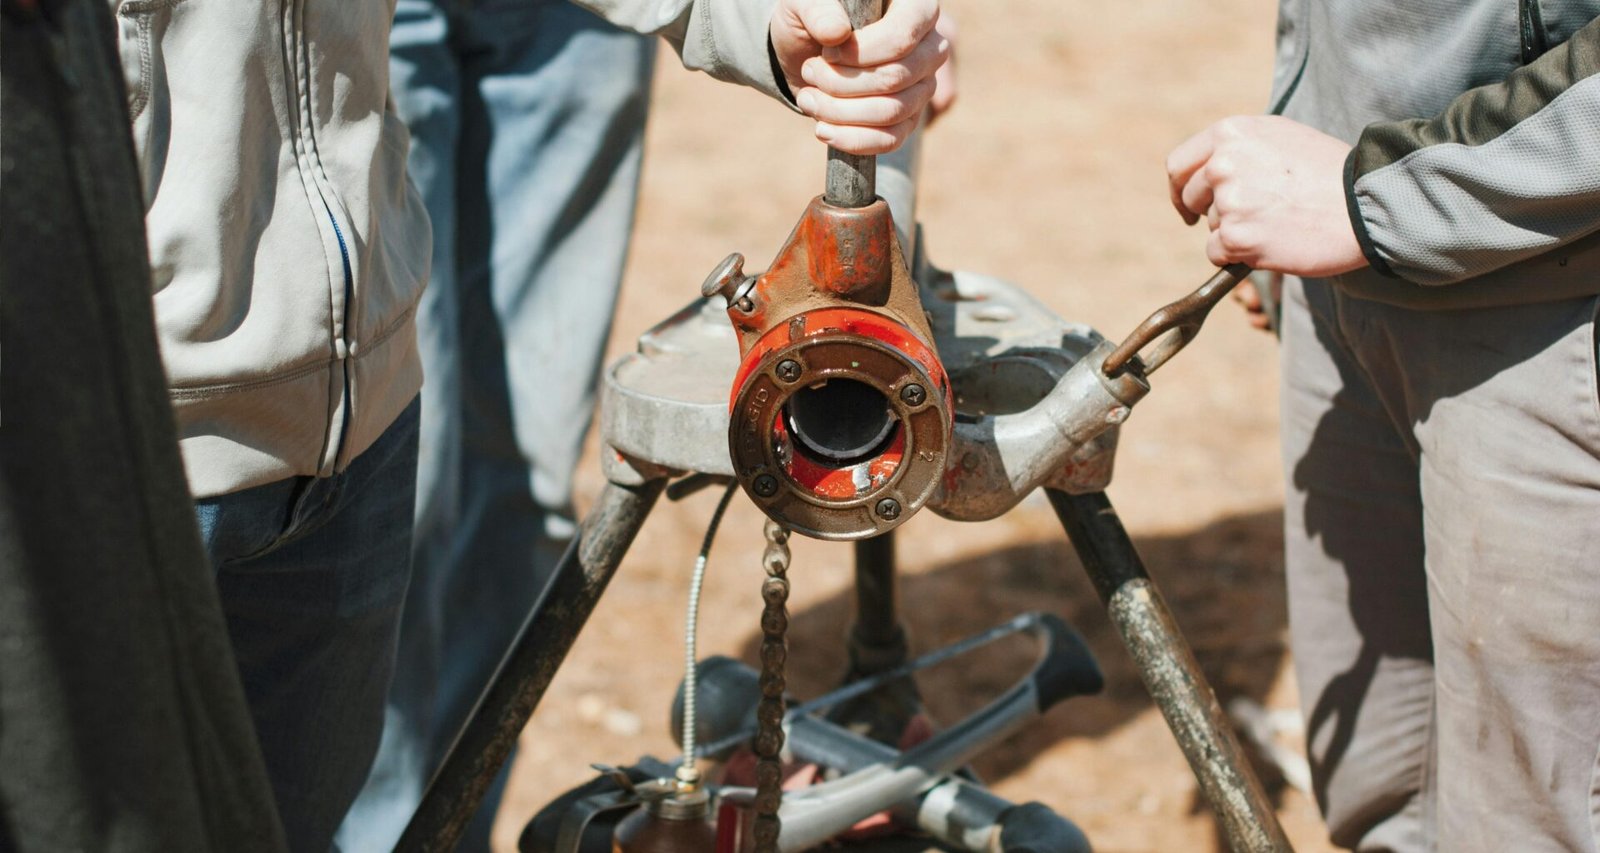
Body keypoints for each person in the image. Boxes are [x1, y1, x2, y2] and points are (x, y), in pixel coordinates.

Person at [112, 0, 948, 847]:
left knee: (528, 501)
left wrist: (755, 22)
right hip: (146, 410)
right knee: (427, 513)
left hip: (366, 355)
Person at [1166, 5, 1600, 850]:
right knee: (1382, 787)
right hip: (1346, 245)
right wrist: (1305, 129)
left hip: (1549, 295)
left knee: (1536, 818)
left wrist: (1382, 194)